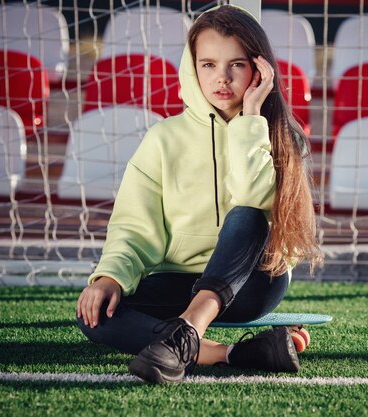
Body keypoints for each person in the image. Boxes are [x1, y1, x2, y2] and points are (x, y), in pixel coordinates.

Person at [76, 5, 322, 384]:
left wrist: (251, 121)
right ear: (192, 68)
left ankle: (189, 327)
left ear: (259, 70)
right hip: (179, 280)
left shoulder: (274, 135)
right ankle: (231, 353)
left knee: (247, 215)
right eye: (207, 65)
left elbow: (255, 206)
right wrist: (110, 276)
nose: (221, 78)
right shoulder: (163, 138)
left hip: (252, 285)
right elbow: (133, 223)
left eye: (236, 65)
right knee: (94, 315)